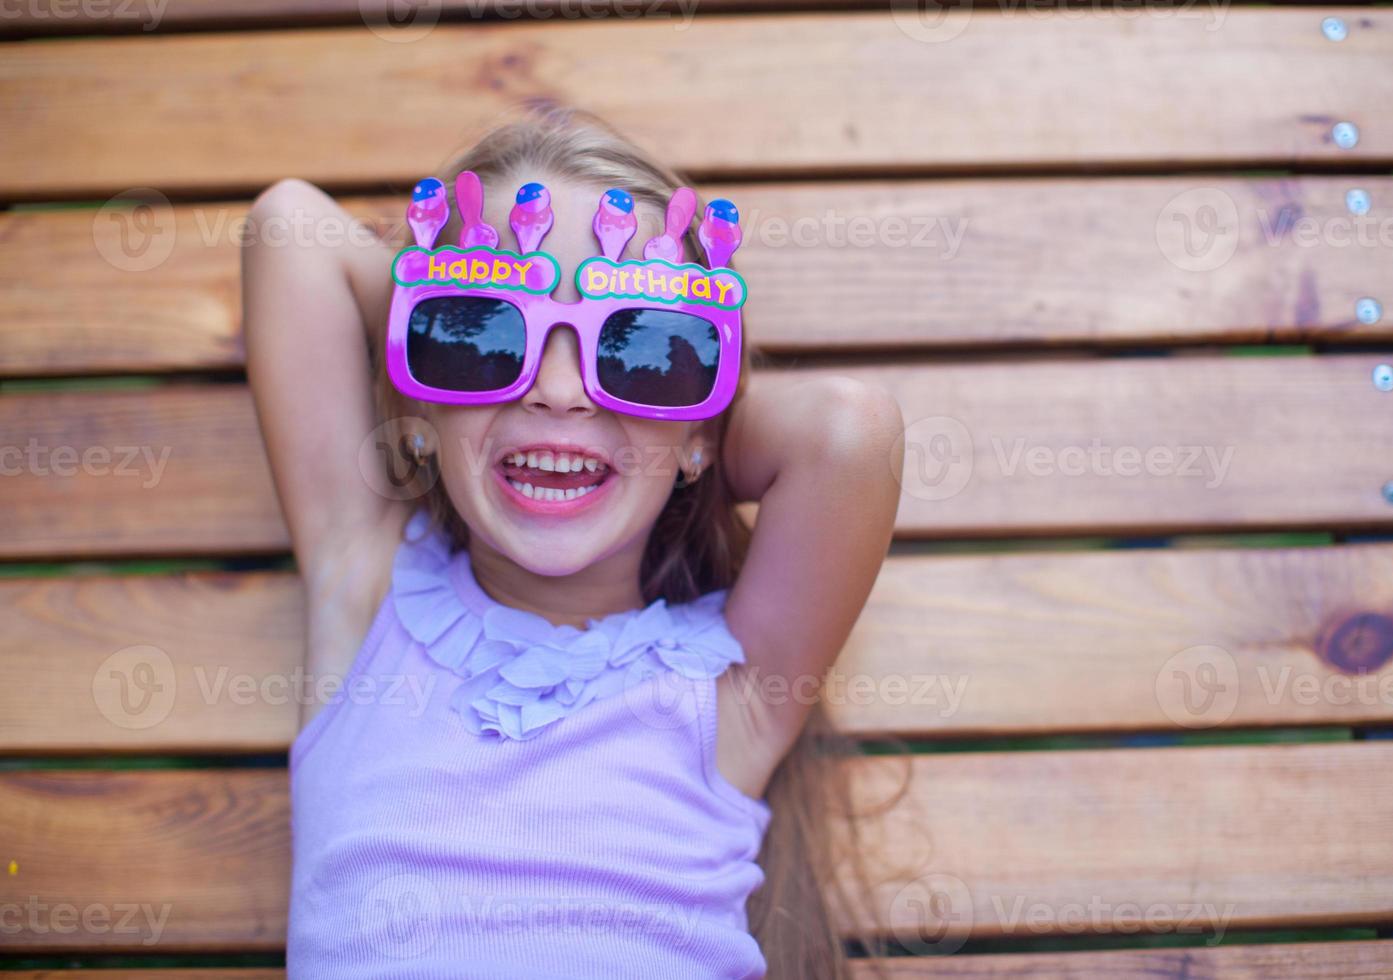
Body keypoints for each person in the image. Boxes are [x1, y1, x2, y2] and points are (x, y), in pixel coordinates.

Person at [243, 102, 905, 978]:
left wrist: (670, 428)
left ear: (708, 432)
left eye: (644, 350)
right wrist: (438, 335)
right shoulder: (364, 594)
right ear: (413, 411)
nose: (558, 390)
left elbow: (847, 432)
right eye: (481, 330)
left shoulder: (732, 692)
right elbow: (289, 227)